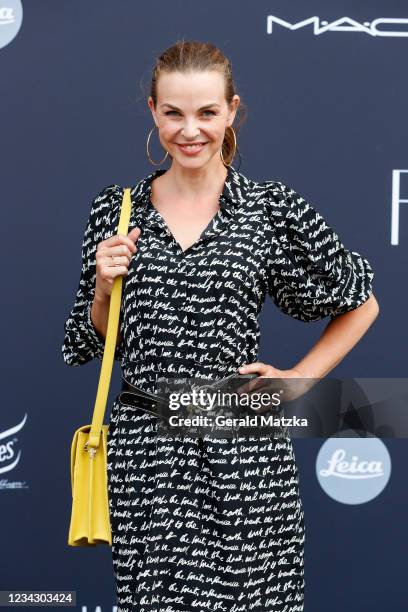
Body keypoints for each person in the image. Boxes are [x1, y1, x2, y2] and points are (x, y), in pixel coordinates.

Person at [61, 40, 379, 612]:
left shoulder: (270, 208)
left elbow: (361, 302)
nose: (190, 130)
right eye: (174, 113)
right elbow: (98, 337)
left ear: (232, 110)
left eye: (206, 112)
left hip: (243, 449)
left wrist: (301, 380)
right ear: (152, 113)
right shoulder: (116, 209)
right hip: (147, 451)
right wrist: (105, 288)